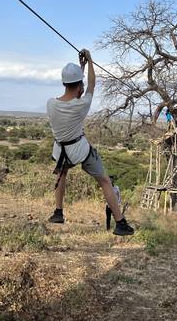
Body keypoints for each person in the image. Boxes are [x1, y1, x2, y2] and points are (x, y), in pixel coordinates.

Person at [46, 49, 134, 236]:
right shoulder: (82, 105)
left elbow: (75, 91)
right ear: (80, 85)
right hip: (79, 149)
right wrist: (91, 61)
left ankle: (58, 211)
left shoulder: (50, 104)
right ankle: (120, 223)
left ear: (63, 83)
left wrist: (81, 68)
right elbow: (91, 85)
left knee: (61, 174)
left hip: (60, 150)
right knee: (104, 181)